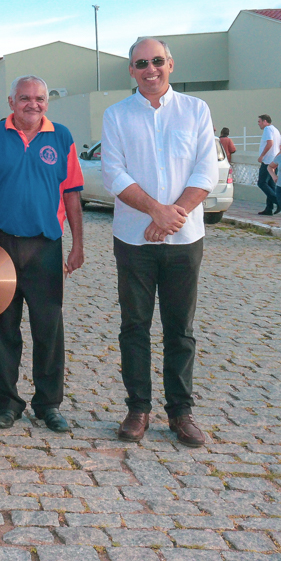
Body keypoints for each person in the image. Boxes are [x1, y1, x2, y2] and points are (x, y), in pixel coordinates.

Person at [101, 38, 218, 447]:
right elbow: (113, 173)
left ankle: (181, 413)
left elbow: (206, 170)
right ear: (131, 70)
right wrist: (156, 211)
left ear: (170, 63)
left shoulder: (196, 110)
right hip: (133, 239)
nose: (150, 69)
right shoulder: (117, 115)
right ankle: (138, 409)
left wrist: (172, 216)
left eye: (156, 61)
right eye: (141, 63)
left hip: (185, 239)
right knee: (134, 327)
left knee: (180, 328)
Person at [0, 75, 84, 433]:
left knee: (49, 329)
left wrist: (78, 244)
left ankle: (48, 404)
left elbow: (72, 195)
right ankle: (7, 403)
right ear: (11, 102)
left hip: (46, 247)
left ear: (47, 102)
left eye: (39, 98)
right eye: (24, 98)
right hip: (0, 245)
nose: (33, 104)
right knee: (0, 329)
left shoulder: (62, 137)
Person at [257, 114, 281, 215]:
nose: (258, 124)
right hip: (274, 160)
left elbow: (270, 143)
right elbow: (280, 145)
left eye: (259, 121)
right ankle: (269, 208)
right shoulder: (276, 130)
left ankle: (279, 202)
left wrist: (262, 156)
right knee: (271, 185)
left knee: (262, 183)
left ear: (265, 121)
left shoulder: (267, 129)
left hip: (268, 161)